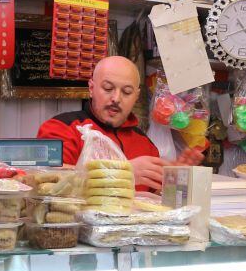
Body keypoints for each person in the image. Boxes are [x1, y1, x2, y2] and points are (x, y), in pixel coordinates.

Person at [37, 55, 201, 190]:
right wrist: (120, 173)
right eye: (108, 88)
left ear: (136, 96)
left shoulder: (146, 145)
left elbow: (154, 198)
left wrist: (175, 181)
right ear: (91, 88)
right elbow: (45, 180)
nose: (116, 98)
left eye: (127, 92)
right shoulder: (60, 128)